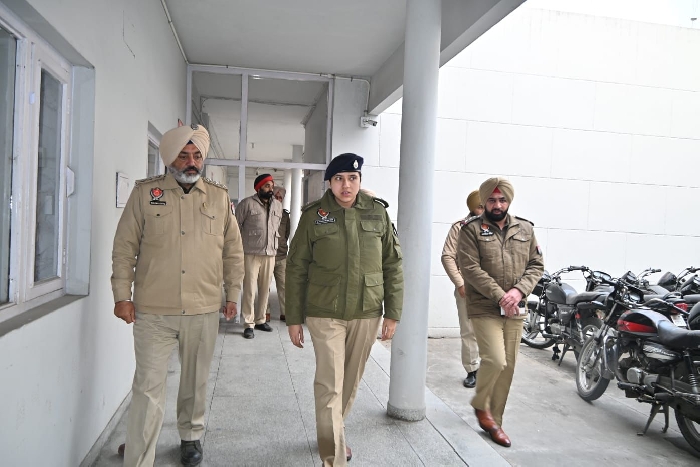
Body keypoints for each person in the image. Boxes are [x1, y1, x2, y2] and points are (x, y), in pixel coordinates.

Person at [111, 123, 244, 466]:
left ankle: (190, 436)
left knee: (195, 381)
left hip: (203, 308)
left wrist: (233, 294)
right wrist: (121, 295)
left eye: (197, 155)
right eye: (183, 155)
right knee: (147, 387)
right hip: (154, 310)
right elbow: (124, 248)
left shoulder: (219, 197)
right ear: (170, 158)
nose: (191, 162)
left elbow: (233, 251)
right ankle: (140, 455)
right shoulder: (145, 194)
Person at [286, 153, 404, 466]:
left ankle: (332, 431)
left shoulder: (378, 213)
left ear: (360, 181)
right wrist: (293, 318)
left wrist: (392, 313)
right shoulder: (314, 215)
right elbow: (296, 267)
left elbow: (393, 264)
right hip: (325, 311)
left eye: (352, 178)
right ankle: (333, 456)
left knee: (349, 382)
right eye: (339, 179)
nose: (346, 185)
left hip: (367, 310)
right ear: (329, 182)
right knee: (330, 383)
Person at [457, 177, 544, 448]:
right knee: (495, 360)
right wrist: (500, 296)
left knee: (509, 367)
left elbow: (536, 264)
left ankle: (495, 422)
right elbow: (470, 268)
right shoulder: (470, 230)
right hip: (484, 306)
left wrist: (518, 292)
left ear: (509, 201)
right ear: (484, 202)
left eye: (502, 200)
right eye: (492, 200)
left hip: (515, 307)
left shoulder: (525, 228)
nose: (498, 205)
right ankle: (480, 404)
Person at [441, 190, 483, 388]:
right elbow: (448, 256)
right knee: (469, 332)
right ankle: (472, 370)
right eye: (480, 206)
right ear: (472, 208)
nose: (485, 210)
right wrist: (460, 283)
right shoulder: (460, 227)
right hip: (469, 288)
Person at [235, 173, 283, 338]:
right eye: (267, 186)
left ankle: (261, 319)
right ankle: (249, 323)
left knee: (265, 289)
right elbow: (235, 227)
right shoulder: (247, 204)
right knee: (249, 289)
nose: (270, 189)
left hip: (270, 253)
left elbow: (276, 227)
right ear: (258, 187)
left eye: (272, 186)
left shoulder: (277, 205)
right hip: (251, 253)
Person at [265, 186, 290, 321]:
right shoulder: (265, 211)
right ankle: (265, 312)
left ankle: (285, 312)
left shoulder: (285, 215)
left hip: (281, 256)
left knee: (284, 286)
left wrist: (282, 245)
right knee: (265, 286)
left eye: (281, 198)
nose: (278, 199)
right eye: (276, 197)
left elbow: (286, 234)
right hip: (267, 255)